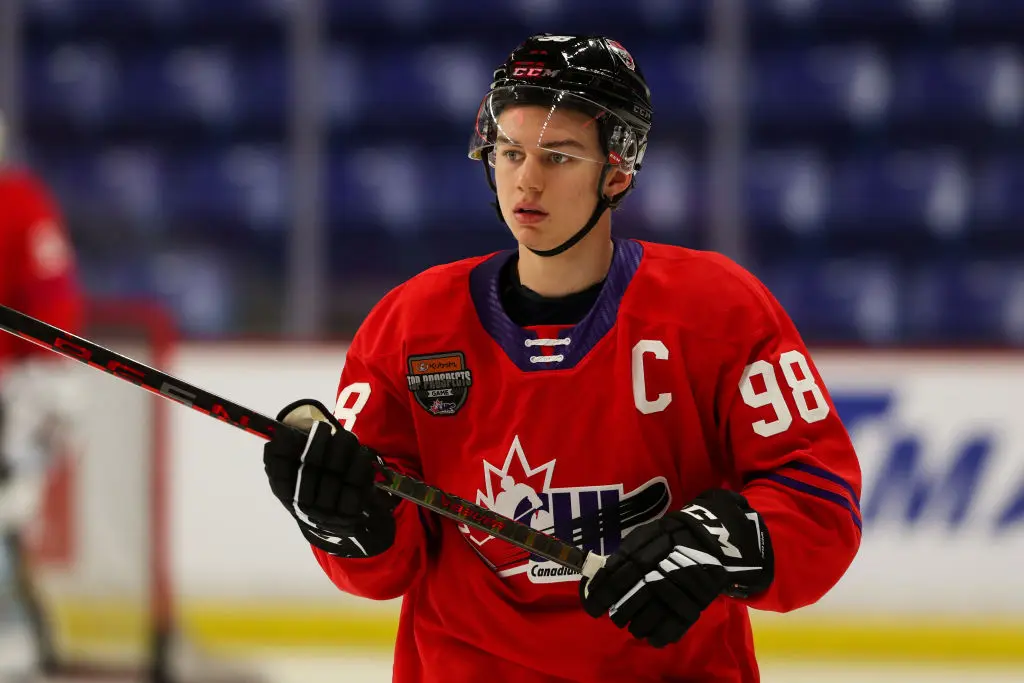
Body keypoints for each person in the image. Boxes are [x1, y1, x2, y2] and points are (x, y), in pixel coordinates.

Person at [262, 34, 862, 682]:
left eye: (558, 155)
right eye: (510, 152)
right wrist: (345, 517)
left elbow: (819, 501)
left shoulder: (717, 313)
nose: (527, 179)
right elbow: (384, 566)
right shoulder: (412, 328)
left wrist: (721, 541)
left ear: (618, 169)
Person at [0, 111, 84, 675]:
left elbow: (54, 313)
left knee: (7, 515)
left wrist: (43, 395)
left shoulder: (20, 202)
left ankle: (13, 638)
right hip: (22, 393)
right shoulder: (21, 200)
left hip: (17, 395)